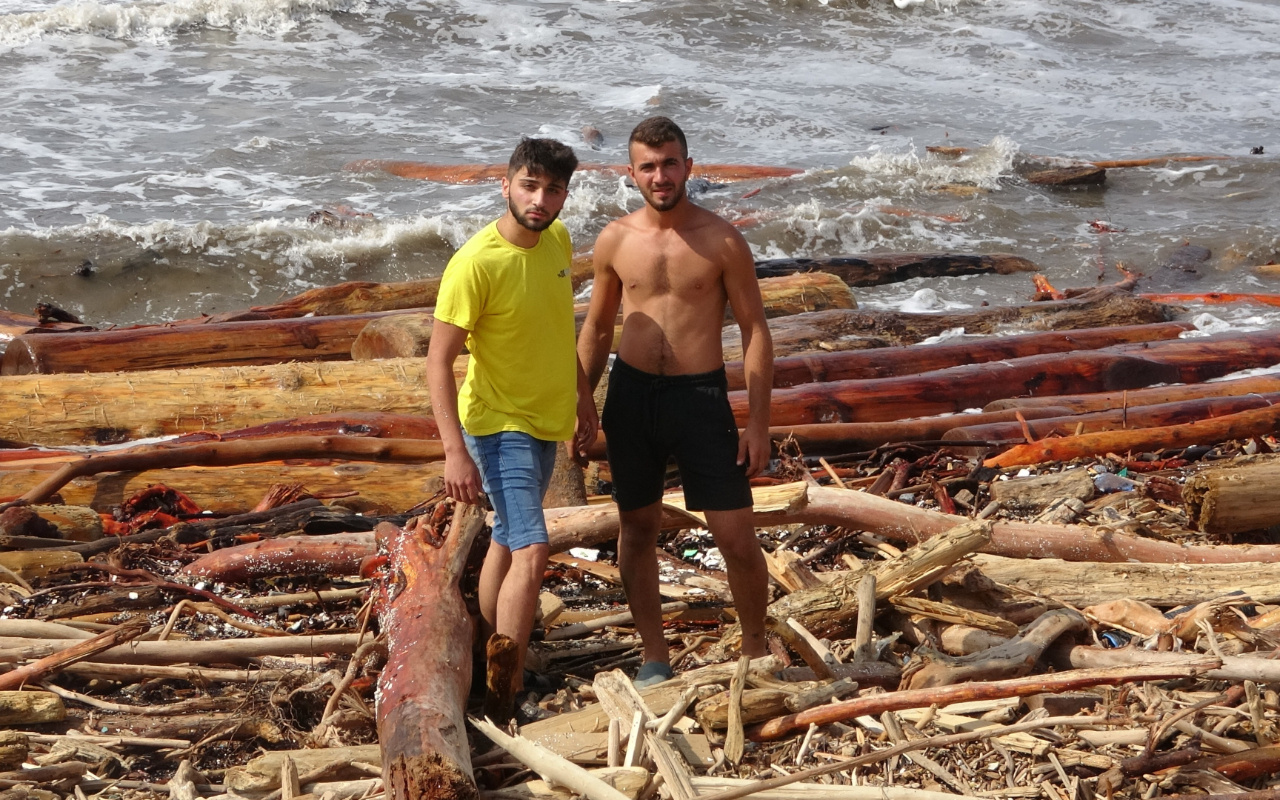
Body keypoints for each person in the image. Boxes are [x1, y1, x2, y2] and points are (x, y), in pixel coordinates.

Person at [577, 117, 773, 688]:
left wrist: (758, 423)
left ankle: (756, 650)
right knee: (636, 529)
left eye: (669, 163)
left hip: (700, 399)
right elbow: (595, 328)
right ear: (630, 172)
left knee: (735, 535)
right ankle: (654, 656)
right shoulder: (615, 239)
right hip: (633, 397)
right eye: (648, 165)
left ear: (689, 166)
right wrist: (581, 405)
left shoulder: (723, 240)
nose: (659, 175)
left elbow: (756, 330)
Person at [426, 137, 598, 713]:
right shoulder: (476, 263)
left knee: (505, 537)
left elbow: (556, 331)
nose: (540, 199)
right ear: (506, 185)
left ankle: (488, 655)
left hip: (546, 419)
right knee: (533, 548)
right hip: (499, 426)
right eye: (529, 185)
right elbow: (437, 361)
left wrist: (583, 399)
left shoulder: (558, 240)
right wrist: (454, 451)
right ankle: (510, 686)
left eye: (553, 189)